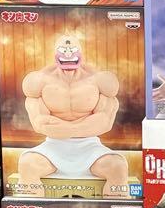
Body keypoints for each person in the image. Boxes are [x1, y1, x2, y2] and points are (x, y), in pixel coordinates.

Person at [17, 32, 128, 198]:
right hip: (53, 147)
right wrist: (84, 125)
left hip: (90, 147)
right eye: (63, 50)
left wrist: (63, 128)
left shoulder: (99, 80)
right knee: (27, 164)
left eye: (72, 49)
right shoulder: (39, 82)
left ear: (81, 53)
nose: (68, 54)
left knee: (118, 166)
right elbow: (40, 124)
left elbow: (104, 122)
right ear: (55, 54)